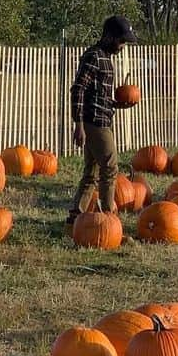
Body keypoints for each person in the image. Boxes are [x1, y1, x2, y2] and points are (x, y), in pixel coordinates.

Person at [66, 14, 138, 224]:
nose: (124, 44)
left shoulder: (106, 58)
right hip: (94, 122)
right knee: (110, 167)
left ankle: (75, 218)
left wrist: (117, 104)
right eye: (121, 40)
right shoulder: (94, 56)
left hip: (100, 117)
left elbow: (97, 96)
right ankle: (108, 217)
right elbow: (78, 89)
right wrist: (78, 124)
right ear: (109, 36)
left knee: (92, 172)